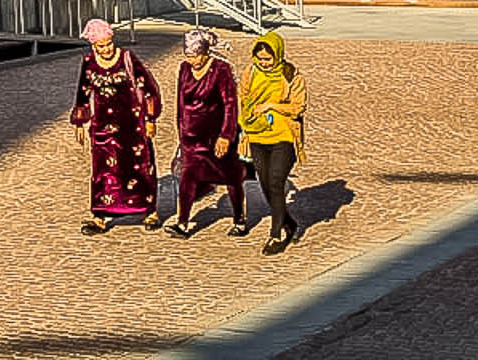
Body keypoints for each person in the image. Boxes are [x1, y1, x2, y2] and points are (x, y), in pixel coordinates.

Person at [70, 19, 163, 234]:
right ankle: (101, 215)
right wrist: (80, 121)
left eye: (109, 44)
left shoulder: (127, 58)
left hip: (132, 125)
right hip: (103, 126)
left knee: (139, 167)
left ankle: (149, 211)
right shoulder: (89, 62)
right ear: (93, 46)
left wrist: (150, 118)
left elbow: (148, 87)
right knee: (104, 171)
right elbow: (83, 92)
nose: (106, 49)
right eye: (101, 46)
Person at [168, 28, 247, 236]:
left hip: (216, 136)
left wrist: (226, 136)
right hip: (191, 137)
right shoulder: (184, 69)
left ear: (205, 53)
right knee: (188, 177)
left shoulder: (221, 70)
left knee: (230, 177)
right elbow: (180, 103)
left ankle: (239, 219)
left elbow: (230, 104)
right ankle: (182, 222)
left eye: (196, 56)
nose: (193, 60)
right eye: (189, 56)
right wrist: (181, 131)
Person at [239, 30, 307, 254]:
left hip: (284, 135)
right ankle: (288, 222)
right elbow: (244, 98)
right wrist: (245, 125)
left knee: (277, 180)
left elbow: (298, 107)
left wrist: (272, 106)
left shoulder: (291, 75)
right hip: (258, 135)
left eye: (268, 59)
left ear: (277, 55)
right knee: (266, 183)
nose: (264, 63)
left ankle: (276, 234)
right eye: (260, 59)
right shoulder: (251, 72)